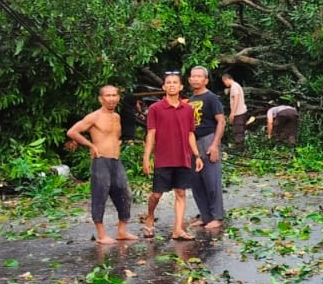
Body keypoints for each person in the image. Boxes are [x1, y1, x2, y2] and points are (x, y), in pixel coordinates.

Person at [67, 84, 135, 244]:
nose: (111, 99)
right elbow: (72, 132)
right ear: (101, 98)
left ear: (118, 98)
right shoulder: (94, 117)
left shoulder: (117, 117)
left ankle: (122, 231)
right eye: (108, 96)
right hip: (101, 160)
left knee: (124, 194)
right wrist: (91, 145)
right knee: (100, 194)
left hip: (116, 160)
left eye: (114, 95)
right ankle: (101, 234)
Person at [142, 72, 205, 241]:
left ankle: (177, 229)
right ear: (164, 87)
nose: (171, 85)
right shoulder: (155, 108)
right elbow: (151, 134)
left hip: (183, 157)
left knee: (181, 193)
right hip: (163, 158)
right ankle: (149, 216)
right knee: (156, 194)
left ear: (181, 87)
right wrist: (146, 158)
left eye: (175, 82)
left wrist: (197, 156)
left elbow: (191, 134)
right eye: (168, 82)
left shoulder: (188, 109)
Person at [187, 66, 226, 232]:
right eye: (193, 76)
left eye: (199, 76)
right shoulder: (189, 101)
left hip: (208, 139)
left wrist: (215, 144)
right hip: (193, 143)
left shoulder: (212, 98)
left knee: (211, 181)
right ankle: (205, 216)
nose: (196, 79)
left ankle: (217, 217)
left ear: (206, 80)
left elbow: (221, 121)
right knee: (196, 181)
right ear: (189, 80)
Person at [221, 72, 248, 149]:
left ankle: (240, 149)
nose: (225, 84)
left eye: (224, 82)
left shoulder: (234, 87)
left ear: (227, 79)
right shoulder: (236, 85)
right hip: (241, 112)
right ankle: (241, 147)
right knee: (240, 131)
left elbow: (236, 99)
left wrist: (232, 113)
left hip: (238, 113)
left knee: (238, 131)